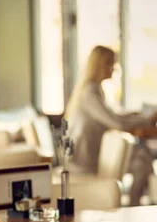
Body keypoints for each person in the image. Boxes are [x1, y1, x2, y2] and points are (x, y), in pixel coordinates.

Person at [65, 45, 157, 206]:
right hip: (83, 162)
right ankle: (133, 205)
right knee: (143, 161)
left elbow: (115, 115)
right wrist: (147, 119)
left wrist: (142, 115)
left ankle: (135, 204)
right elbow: (116, 122)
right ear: (99, 65)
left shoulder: (95, 89)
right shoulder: (90, 93)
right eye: (110, 63)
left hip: (89, 155)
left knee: (143, 159)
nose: (114, 68)